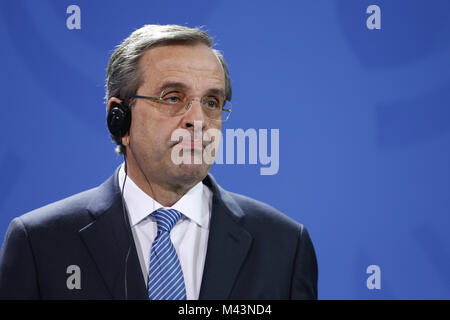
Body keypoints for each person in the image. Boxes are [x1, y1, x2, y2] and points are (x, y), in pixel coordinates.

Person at [0, 24, 318, 300]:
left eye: (212, 102)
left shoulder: (284, 246)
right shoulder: (40, 243)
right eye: (173, 98)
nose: (198, 120)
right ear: (119, 119)